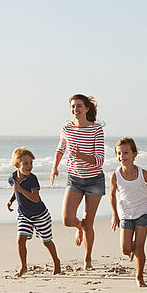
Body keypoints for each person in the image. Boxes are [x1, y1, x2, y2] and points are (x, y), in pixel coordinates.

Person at [50, 94, 105, 270]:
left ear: (87, 108)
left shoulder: (96, 129)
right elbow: (61, 148)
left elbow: (99, 160)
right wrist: (54, 167)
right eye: (73, 106)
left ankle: (87, 259)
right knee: (67, 219)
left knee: (89, 222)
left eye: (79, 106)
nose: (75, 109)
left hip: (94, 180)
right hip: (74, 178)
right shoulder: (66, 128)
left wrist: (81, 155)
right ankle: (78, 228)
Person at [109, 137, 147, 287]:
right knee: (125, 248)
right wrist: (115, 215)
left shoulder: (142, 173)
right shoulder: (116, 175)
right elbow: (112, 195)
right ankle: (133, 252)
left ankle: (139, 277)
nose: (122, 157)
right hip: (125, 213)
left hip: (143, 211)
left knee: (139, 247)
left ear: (134, 154)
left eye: (125, 153)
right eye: (119, 153)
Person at [7, 147, 61, 277]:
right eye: (25, 163)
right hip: (24, 215)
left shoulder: (32, 179)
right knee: (20, 240)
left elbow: (35, 198)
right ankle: (24, 267)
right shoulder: (12, 178)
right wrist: (11, 200)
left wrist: (20, 190)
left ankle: (57, 262)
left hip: (40, 215)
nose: (29, 166)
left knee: (46, 241)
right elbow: (16, 191)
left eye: (31, 163)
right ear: (16, 165)